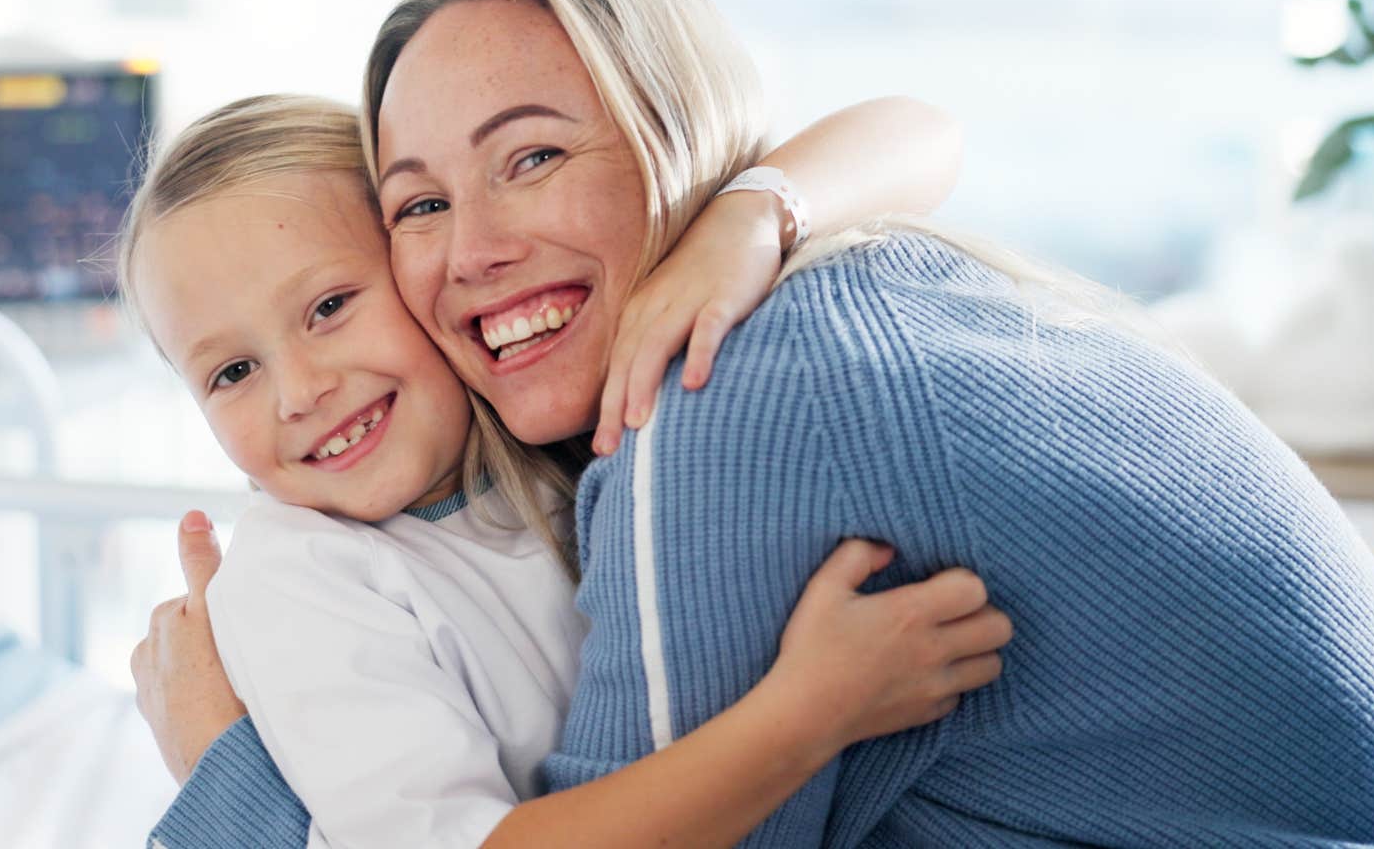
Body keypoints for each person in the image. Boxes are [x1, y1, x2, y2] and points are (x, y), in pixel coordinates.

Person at [140, 0, 1374, 845]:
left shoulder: (716, 412)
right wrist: (760, 212)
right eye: (423, 203)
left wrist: (220, 776)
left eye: (535, 157)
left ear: (674, 133)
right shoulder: (832, 297)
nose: (479, 249)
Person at [122, 93, 1012, 848]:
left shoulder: (538, 431)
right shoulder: (301, 577)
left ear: (416, 258)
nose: (299, 393)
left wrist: (740, 223)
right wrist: (812, 713)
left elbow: (918, 129)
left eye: (328, 307)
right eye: (232, 373)